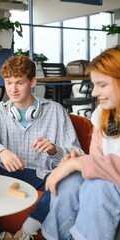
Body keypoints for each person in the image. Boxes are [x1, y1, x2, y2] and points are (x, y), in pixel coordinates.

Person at [0, 55, 82, 240]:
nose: (13, 89)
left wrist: (54, 150)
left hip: (42, 176)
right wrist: (1, 151)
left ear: (33, 82)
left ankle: (23, 234)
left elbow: (78, 155)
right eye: (8, 83)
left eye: (19, 83)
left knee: (70, 178)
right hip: (5, 173)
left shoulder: (56, 111)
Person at [42, 46, 120, 240]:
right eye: (94, 85)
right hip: (111, 179)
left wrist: (79, 163)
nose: (94, 93)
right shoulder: (102, 114)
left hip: (110, 187)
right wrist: (78, 160)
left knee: (99, 189)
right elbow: (97, 159)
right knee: (68, 181)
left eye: (102, 85)